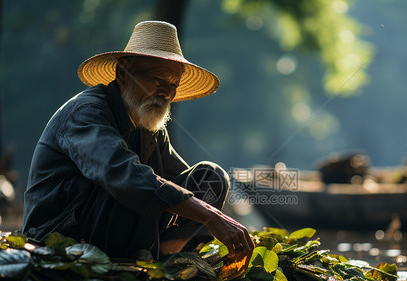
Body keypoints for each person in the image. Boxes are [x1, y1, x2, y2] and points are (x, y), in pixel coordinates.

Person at [23, 21, 254, 266]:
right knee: (134, 188)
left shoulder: (146, 122)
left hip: (114, 233)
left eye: (173, 85)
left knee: (211, 178)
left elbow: (178, 184)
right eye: (158, 79)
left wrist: (210, 212)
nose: (167, 93)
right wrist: (211, 217)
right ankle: (145, 258)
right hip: (60, 240)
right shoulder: (86, 113)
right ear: (123, 72)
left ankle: (168, 258)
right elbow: (124, 176)